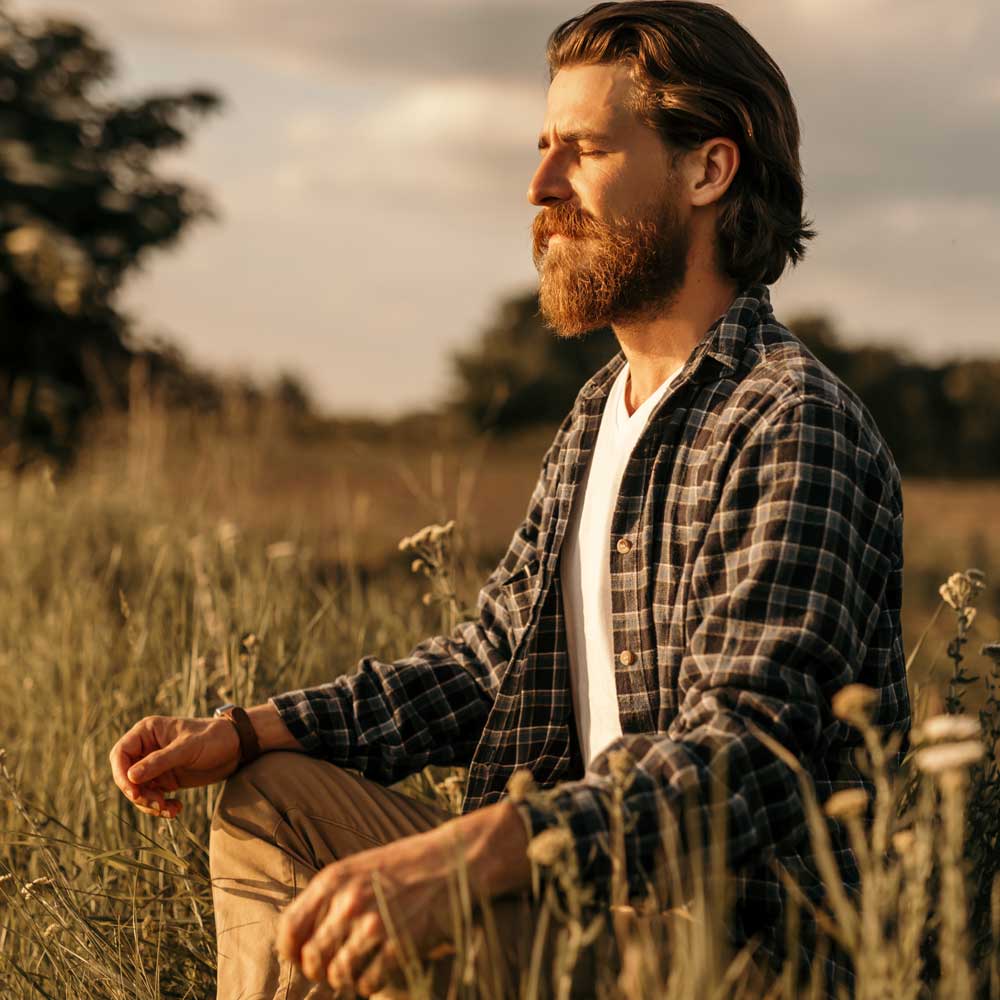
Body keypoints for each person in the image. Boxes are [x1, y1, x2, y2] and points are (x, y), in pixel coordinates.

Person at [109, 2, 910, 997]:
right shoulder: (598, 415)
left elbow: (750, 753)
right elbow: (488, 663)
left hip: (732, 954)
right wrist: (248, 728)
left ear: (708, 171)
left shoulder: (790, 421)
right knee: (272, 797)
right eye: (542, 149)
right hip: (584, 910)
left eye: (585, 151)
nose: (540, 185)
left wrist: (477, 852)